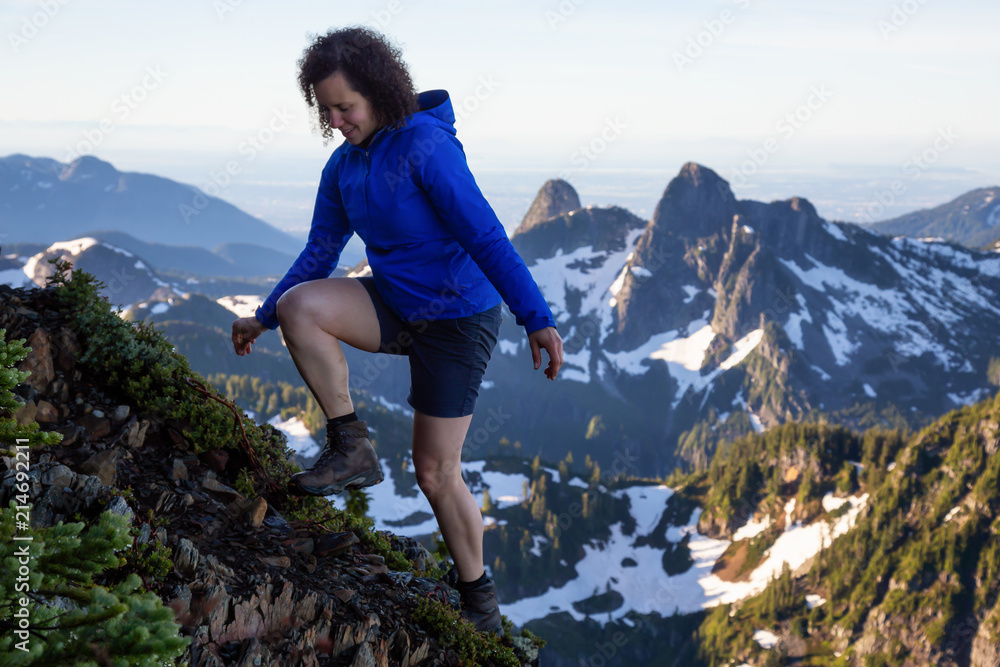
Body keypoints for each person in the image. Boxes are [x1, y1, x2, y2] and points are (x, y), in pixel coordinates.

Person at [230, 26, 563, 635]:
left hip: (458, 319)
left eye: (344, 107)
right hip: (395, 302)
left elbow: (484, 235)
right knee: (304, 307)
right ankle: (350, 445)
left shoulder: (427, 149)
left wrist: (535, 317)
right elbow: (319, 252)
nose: (334, 120)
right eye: (324, 108)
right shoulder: (344, 166)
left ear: (380, 92)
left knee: (435, 472)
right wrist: (266, 314)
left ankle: (479, 603)